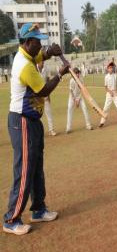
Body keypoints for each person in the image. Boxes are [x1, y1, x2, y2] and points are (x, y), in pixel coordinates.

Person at [3, 23, 68, 235]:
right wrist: (60, 74)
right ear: (28, 42)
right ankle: (11, 219)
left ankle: (38, 209)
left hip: (32, 122)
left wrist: (50, 52)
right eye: (38, 41)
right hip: (21, 121)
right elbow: (43, 90)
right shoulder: (24, 65)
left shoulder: (28, 56)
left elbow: (40, 56)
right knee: (24, 170)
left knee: (36, 167)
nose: (41, 44)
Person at [99, 62, 117, 127]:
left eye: (112, 67)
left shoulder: (115, 75)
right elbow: (105, 87)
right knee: (106, 108)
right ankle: (102, 122)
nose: (111, 69)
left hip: (115, 94)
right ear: (107, 69)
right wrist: (110, 92)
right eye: (110, 68)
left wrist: (116, 90)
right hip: (109, 94)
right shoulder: (106, 77)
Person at [66, 67, 93, 133]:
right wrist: (75, 100)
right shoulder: (71, 80)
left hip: (80, 97)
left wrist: (78, 99)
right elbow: (71, 91)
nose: (78, 74)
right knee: (69, 109)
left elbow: (82, 89)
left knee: (85, 108)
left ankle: (88, 125)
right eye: (76, 73)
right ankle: (68, 128)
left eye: (78, 73)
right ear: (73, 74)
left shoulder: (81, 79)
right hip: (72, 98)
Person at [37, 61, 56, 136]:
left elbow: (48, 82)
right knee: (38, 115)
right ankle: (38, 132)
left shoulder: (46, 70)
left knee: (49, 113)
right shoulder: (34, 69)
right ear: (38, 63)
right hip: (37, 96)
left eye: (43, 61)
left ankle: (51, 130)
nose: (43, 63)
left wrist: (48, 94)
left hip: (45, 95)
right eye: (41, 61)